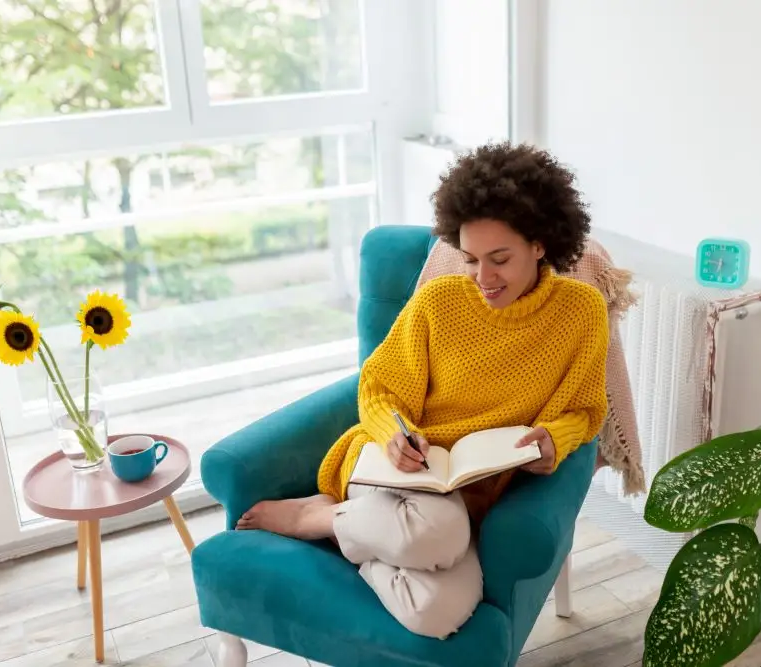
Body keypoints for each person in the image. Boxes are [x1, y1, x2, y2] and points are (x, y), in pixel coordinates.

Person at [237, 141, 610, 639]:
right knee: (441, 533)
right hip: (400, 473)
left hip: (471, 491)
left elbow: (587, 410)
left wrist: (553, 442)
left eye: (499, 258)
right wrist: (394, 433)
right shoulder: (439, 301)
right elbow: (379, 387)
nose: (483, 277)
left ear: (540, 243)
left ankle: (346, 529)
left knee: (436, 613)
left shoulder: (581, 311)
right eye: (472, 258)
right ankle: (313, 519)